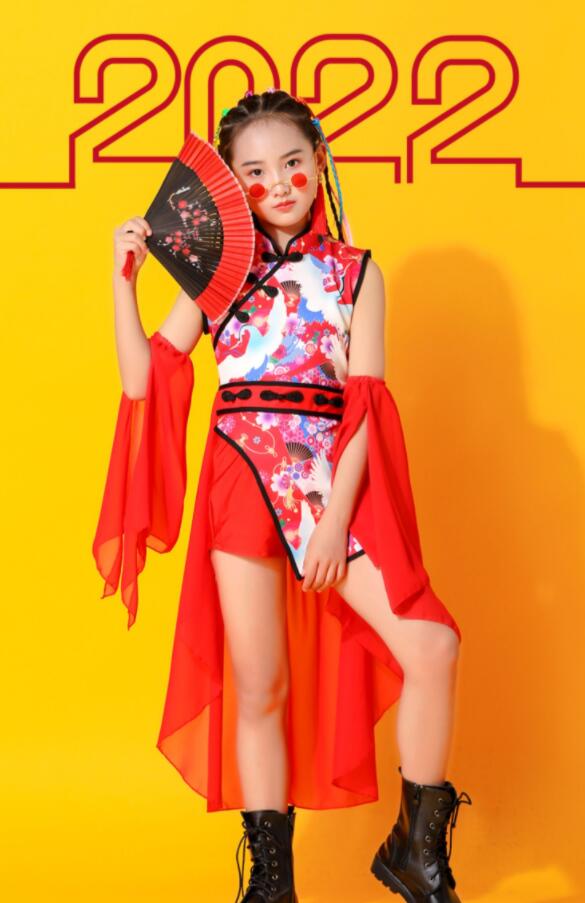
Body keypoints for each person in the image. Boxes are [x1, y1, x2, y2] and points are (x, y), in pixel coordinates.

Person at [93, 88, 472, 903]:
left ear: (319, 163)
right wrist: (124, 282)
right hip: (240, 478)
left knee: (432, 646)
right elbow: (146, 379)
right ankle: (271, 883)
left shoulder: (356, 272)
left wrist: (333, 521)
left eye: (293, 162)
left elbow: (365, 403)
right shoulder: (214, 275)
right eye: (255, 172)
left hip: (329, 485)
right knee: (259, 685)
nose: (278, 183)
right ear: (230, 186)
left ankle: (414, 850)